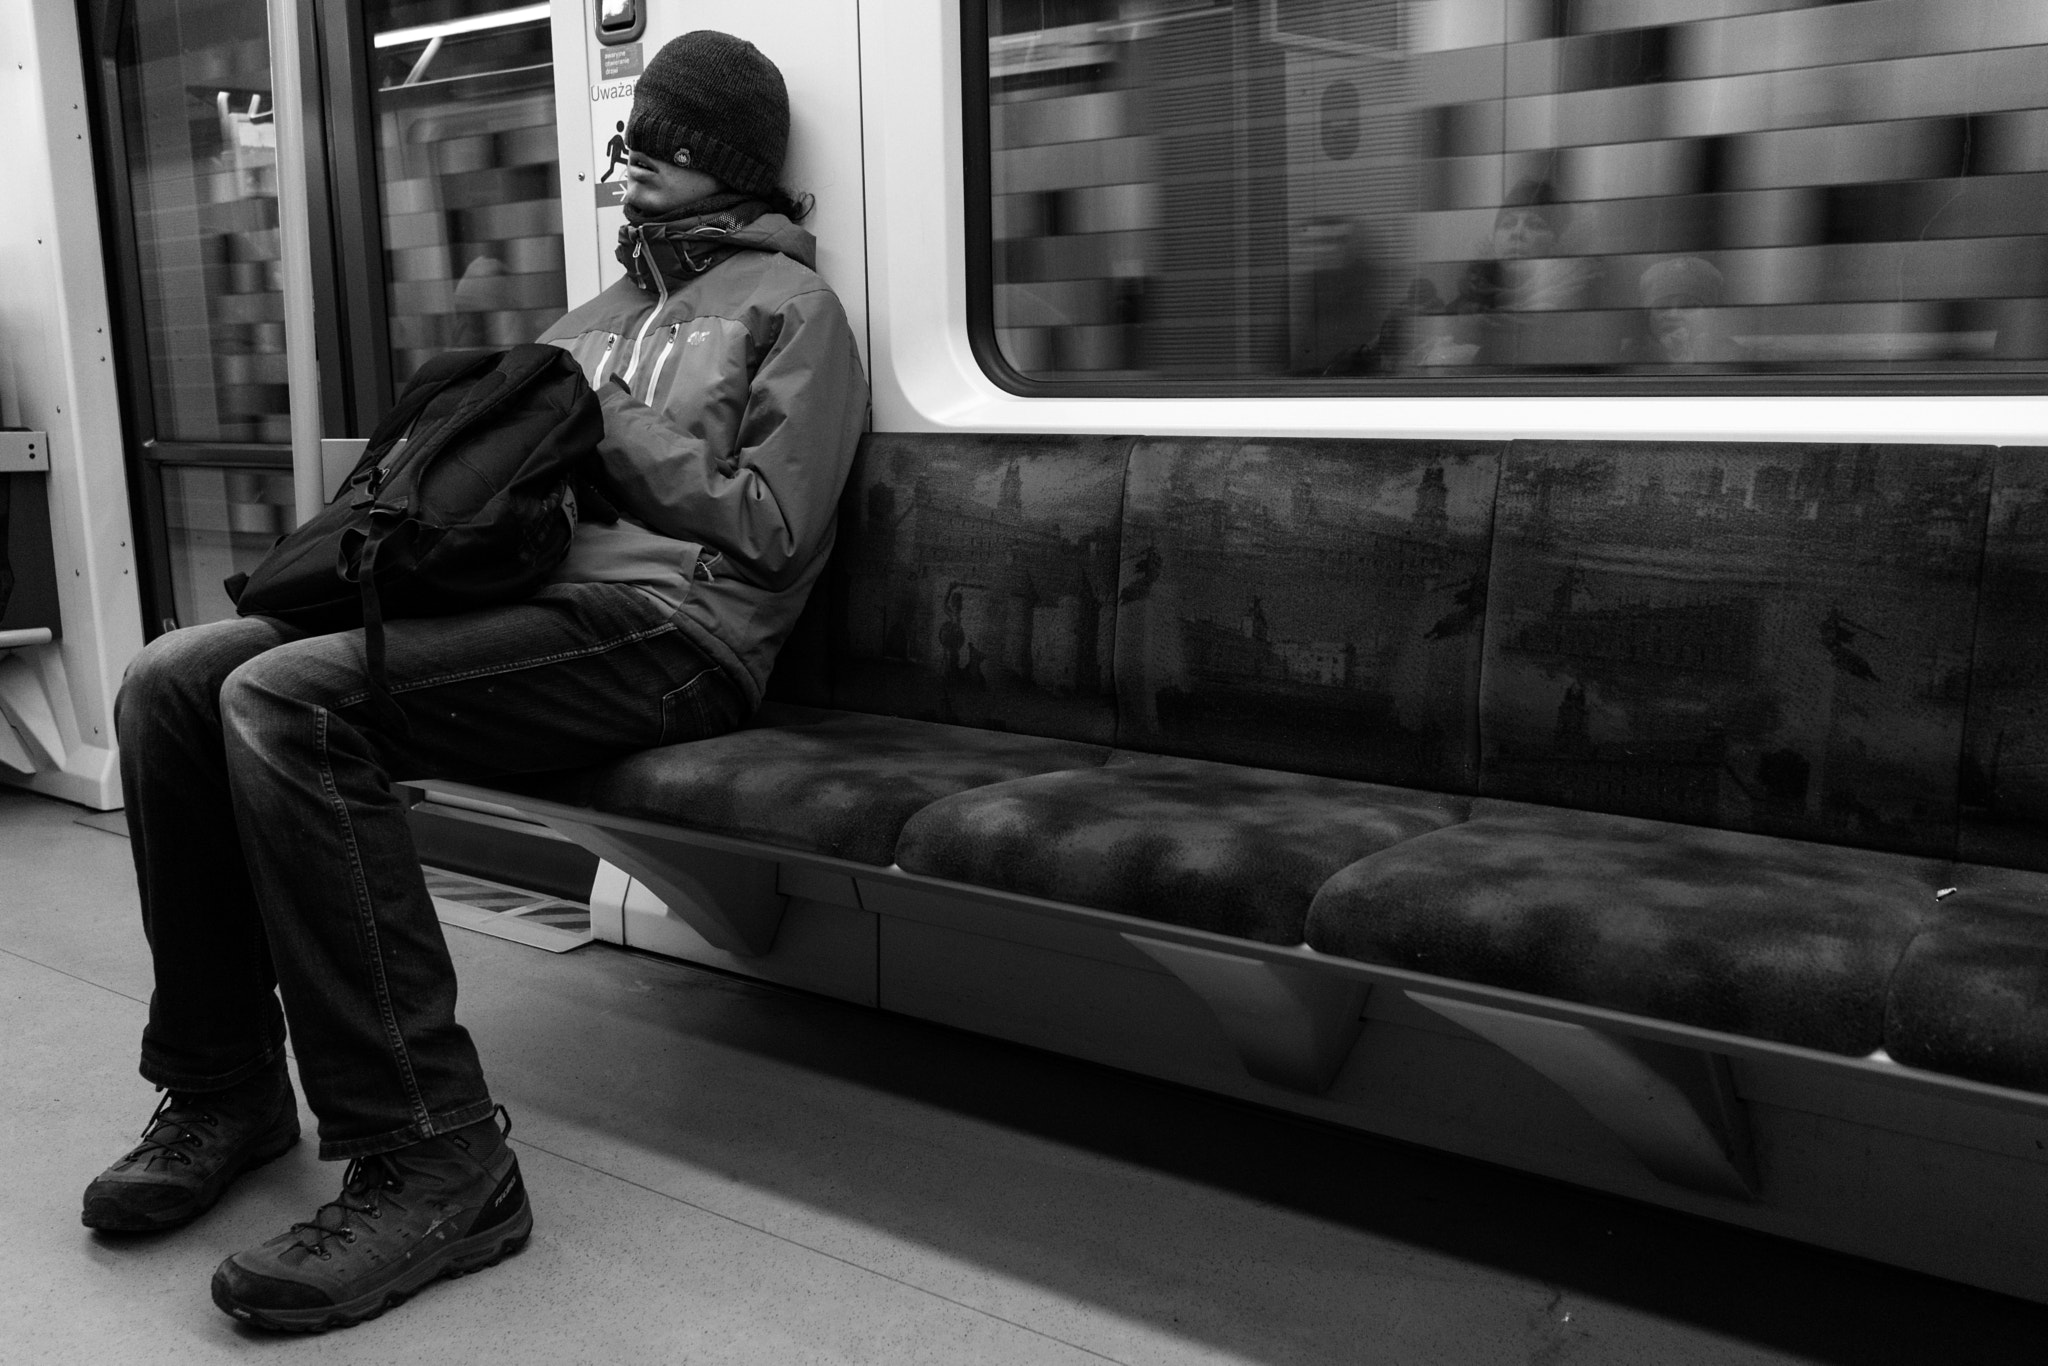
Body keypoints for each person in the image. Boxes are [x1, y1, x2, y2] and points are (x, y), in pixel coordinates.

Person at [80, 30, 867, 1333]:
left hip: (681, 632)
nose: (627, 166)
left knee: (288, 701)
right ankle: (222, 1085)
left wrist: (605, 423)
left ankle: (442, 1151)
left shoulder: (796, 313)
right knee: (172, 678)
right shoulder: (598, 313)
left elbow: (774, 529)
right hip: (533, 608)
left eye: (656, 147)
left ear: (718, 162)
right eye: (629, 142)